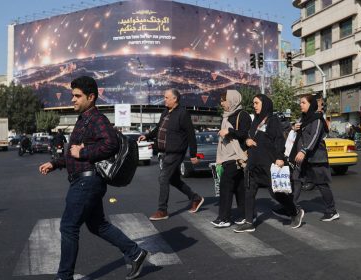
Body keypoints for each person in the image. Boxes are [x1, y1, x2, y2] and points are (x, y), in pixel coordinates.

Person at [39, 76, 147, 280]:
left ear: (91, 97)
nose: (73, 99)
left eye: (77, 96)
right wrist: (55, 163)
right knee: (98, 225)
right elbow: (73, 152)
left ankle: (64, 276)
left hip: (86, 182)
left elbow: (111, 144)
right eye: (72, 95)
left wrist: (85, 153)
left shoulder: (97, 119)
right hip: (85, 180)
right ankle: (136, 253)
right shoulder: (84, 119)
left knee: (68, 226)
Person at [234, 94, 304, 233]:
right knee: (249, 191)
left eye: (256, 103)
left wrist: (279, 157)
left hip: (268, 162)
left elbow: (279, 139)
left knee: (275, 193)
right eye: (253, 103)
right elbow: (249, 137)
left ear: (264, 104)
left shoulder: (272, 120)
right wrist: (247, 141)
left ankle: (295, 212)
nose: (254, 106)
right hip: (254, 162)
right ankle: (249, 222)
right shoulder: (255, 121)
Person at [139, 89, 204, 221]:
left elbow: (191, 135)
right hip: (166, 151)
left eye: (167, 97)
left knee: (163, 178)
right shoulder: (165, 112)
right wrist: (147, 136)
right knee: (173, 180)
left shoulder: (183, 113)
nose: (165, 99)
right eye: (165, 97)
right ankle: (195, 198)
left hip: (176, 152)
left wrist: (193, 154)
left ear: (175, 99)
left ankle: (162, 210)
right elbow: (158, 129)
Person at [287, 94, 340, 222]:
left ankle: (332, 211)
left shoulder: (317, 118)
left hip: (316, 157)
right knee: (296, 179)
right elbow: (299, 132)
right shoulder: (304, 118)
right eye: (300, 102)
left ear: (311, 104)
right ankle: (290, 206)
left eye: (303, 102)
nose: (300, 105)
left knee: (321, 184)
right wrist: (294, 127)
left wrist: (304, 150)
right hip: (303, 157)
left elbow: (315, 137)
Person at [211, 90, 251, 228]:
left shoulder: (243, 115)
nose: (222, 103)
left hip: (236, 156)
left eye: (224, 100)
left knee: (225, 187)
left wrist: (229, 131)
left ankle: (224, 217)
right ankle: (245, 215)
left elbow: (244, 134)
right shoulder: (226, 116)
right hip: (227, 156)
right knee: (239, 187)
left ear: (232, 100)